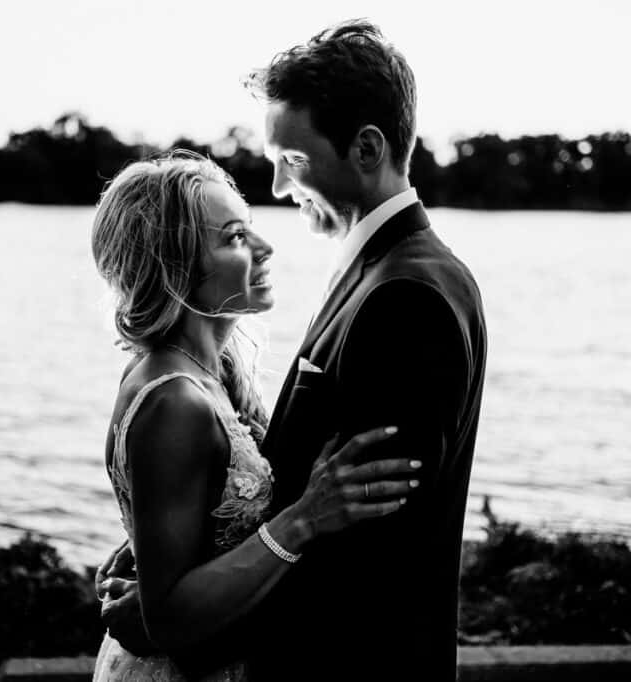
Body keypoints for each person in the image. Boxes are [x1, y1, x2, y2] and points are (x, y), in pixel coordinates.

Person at [99, 19, 487, 680]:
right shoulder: (376, 276)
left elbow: (357, 561)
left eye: (292, 159)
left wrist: (159, 624)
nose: (278, 186)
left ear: (367, 149)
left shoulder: (407, 298)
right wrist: (172, 559)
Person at [89, 150, 422, 681]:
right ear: (176, 267)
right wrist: (306, 517)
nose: (266, 249)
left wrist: (147, 550)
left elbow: (187, 515)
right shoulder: (175, 400)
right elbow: (170, 618)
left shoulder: (204, 369)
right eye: (235, 238)